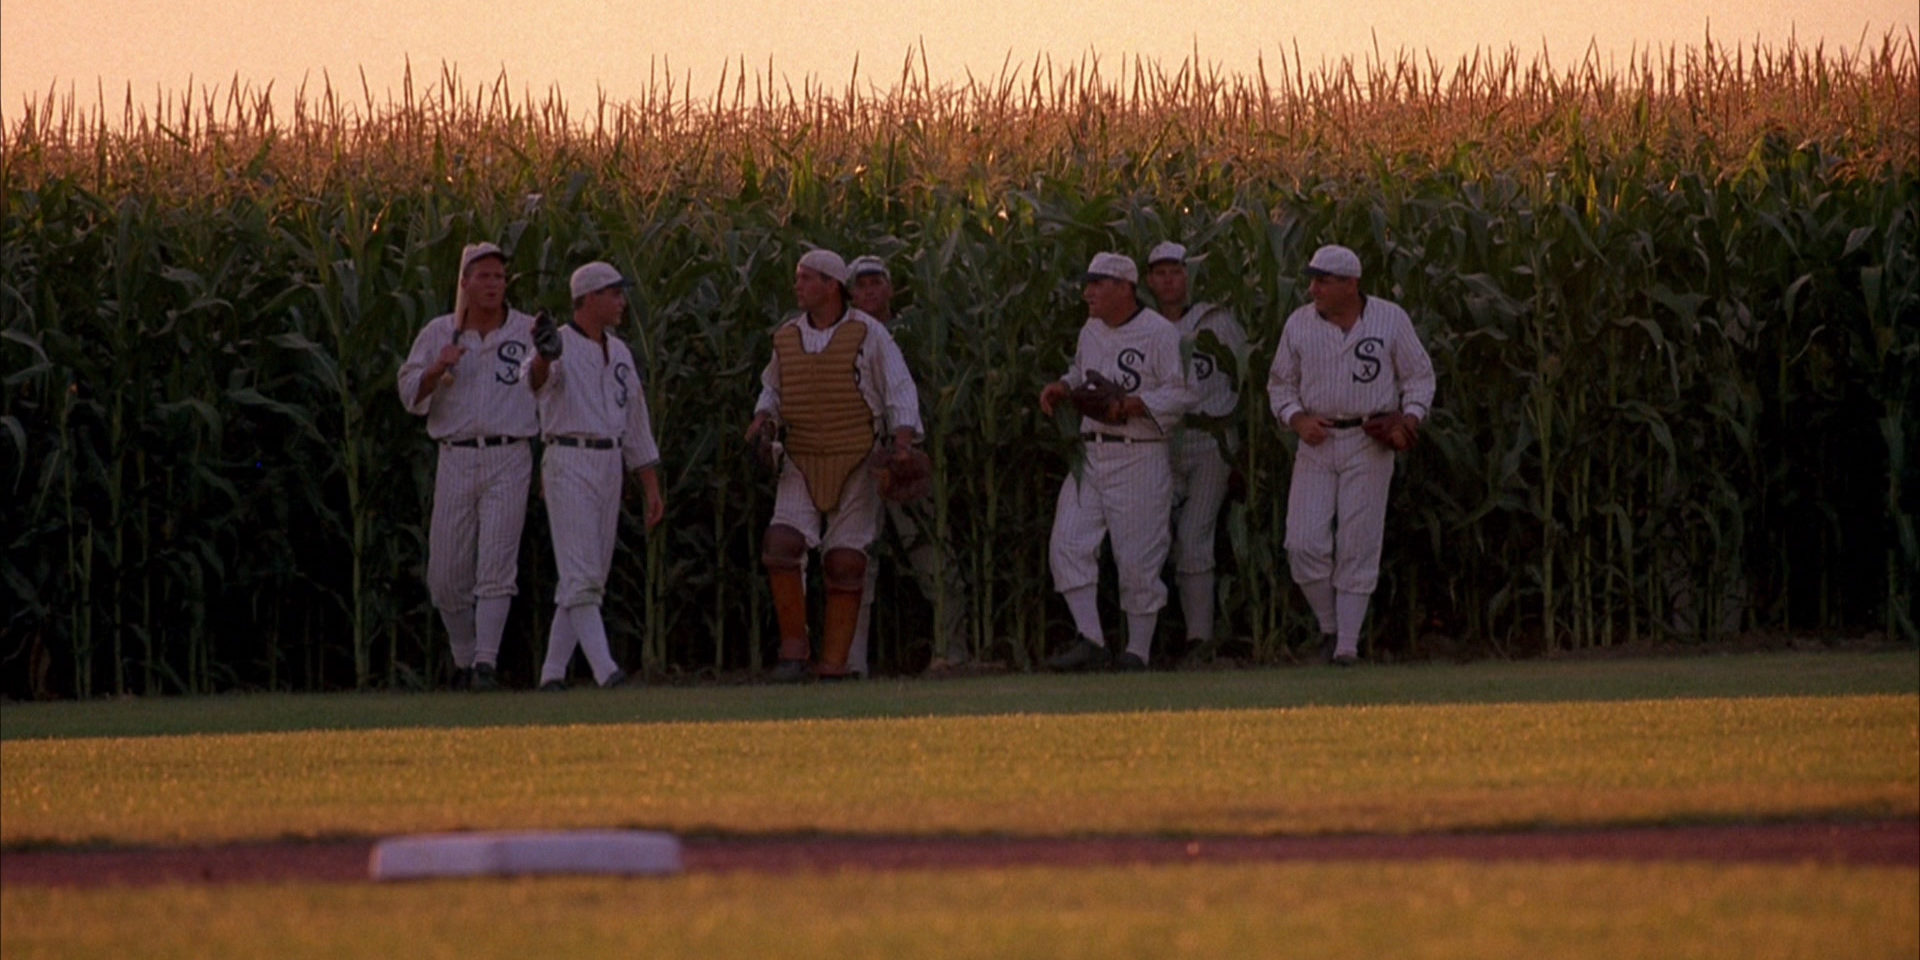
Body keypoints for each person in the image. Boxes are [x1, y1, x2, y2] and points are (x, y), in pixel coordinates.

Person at [746, 249, 924, 682]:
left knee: (846, 560)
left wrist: (902, 442)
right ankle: (793, 652)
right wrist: (762, 419)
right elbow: (773, 387)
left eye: (806, 278)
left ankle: (835, 663)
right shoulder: (786, 336)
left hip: (858, 457)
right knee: (782, 543)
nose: (798, 286)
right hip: (801, 456)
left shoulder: (869, 334)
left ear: (831, 285)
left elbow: (899, 387)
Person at [1266, 244, 1435, 665]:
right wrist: (1296, 419)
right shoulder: (1299, 324)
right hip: (1317, 439)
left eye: (1323, 280)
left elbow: (1419, 377)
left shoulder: (1389, 318)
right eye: (1313, 279)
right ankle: (1330, 626)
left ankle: (1345, 647)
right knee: (1303, 543)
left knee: (1358, 542)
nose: (1313, 288)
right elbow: (1280, 385)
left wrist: (1409, 421)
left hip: (1368, 439)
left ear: (1351, 283)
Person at [1038, 252, 1194, 671]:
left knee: (1138, 558)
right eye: (1087, 283)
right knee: (1068, 543)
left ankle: (1137, 653)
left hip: (1138, 454)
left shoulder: (1159, 333)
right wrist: (1064, 385)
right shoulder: (1091, 329)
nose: (1088, 292)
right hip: (1092, 451)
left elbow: (1180, 394)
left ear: (1125, 288)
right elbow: (1082, 371)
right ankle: (1091, 639)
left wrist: (1135, 404)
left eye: (1098, 283)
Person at [396, 242, 538, 691]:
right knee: (446, 574)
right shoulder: (439, 333)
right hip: (456, 454)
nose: (494, 284)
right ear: (465, 283)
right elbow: (409, 395)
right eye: (484, 277)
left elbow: (548, 385)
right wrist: (438, 369)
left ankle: (485, 665)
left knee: (497, 563)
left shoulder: (526, 330)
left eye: (500, 277)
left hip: (509, 452)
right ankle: (463, 654)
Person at [524, 261, 665, 689]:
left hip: (609, 462)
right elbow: (534, 382)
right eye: (613, 293)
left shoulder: (619, 350)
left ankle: (551, 674)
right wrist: (545, 359)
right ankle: (607, 671)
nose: (622, 301)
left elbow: (635, 420)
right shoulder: (560, 344)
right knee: (581, 573)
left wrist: (650, 485)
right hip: (569, 457)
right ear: (587, 298)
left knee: (587, 578)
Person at [843, 255, 972, 676]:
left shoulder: (917, 334)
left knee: (930, 552)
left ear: (890, 288)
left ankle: (951, 652)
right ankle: (852, 660)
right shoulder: (841, 338)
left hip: (906, 457)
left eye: (877, 282)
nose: (870, 291)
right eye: (861, 285)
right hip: (859, 461)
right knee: (856, 556)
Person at [1144, 241, 1249, 661]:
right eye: (1161, 273)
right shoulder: (1143, 326)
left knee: (1194, 538)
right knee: (1152, 540)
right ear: (1149, 281)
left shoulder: (1216, 321)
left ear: (1190, 276)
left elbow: (1243, 380)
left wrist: (1241, 451)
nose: (1169, 280)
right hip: (1160, 443)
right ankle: (1151, 640)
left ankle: (1199, 641)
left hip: (1212, 440)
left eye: (1177, 272)